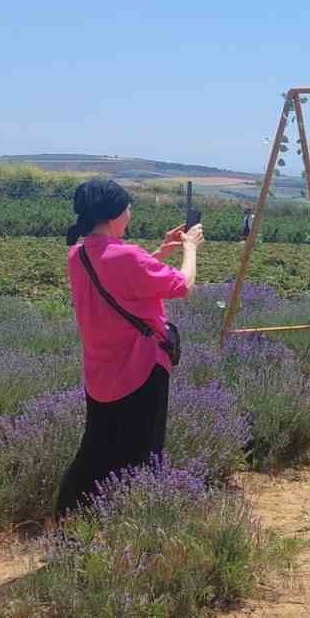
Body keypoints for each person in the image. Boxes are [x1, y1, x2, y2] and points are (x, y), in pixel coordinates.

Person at [55, 178, 204, 517]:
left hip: (100, 372)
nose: (130, 214)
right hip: (140, 370)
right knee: (144, 454)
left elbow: (119, 279)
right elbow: (183, 286)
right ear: (113, 215)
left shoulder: (77, 255)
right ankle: (137, 528)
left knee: (96, 451)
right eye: (128, 209)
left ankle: (68, 521)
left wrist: (162, 252)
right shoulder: (127, 257)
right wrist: (190, 249)